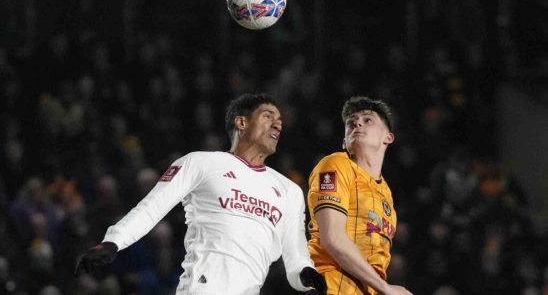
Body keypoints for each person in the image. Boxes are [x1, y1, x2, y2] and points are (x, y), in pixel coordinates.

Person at [75, 93, 326, 295]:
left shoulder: (289, 191)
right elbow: (152, 207)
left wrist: (306, 274)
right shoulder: (200, 163)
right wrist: (113, 241)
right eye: (268, 116)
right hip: (204, 286)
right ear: (242, 122)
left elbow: (295, 256)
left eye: (280, 120)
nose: (278, 123)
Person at [306, 96, 412, 295]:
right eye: (351, 122)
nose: (357, 123)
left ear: (388, 137)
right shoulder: (335, 165)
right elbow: (333, 238)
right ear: (344, 142)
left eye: (368, 119)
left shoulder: (386, 193)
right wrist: (386, 289)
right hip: (330, 288)